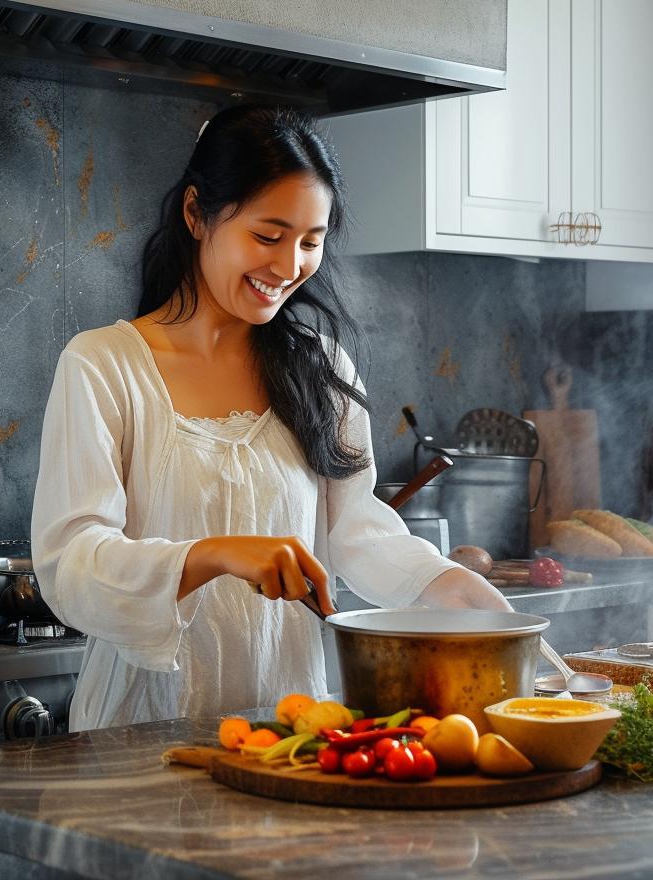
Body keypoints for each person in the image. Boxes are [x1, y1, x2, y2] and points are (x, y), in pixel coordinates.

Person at [31, 105, 507, 731]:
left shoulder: (319, 368)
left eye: (311, 242)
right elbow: (71, 568)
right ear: (196, 213)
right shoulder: (104, 365)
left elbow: (356, 531)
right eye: (268, 236)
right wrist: (216, 554)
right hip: (140, 732)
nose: (289, 268)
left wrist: (453, 590)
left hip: (287, 729)